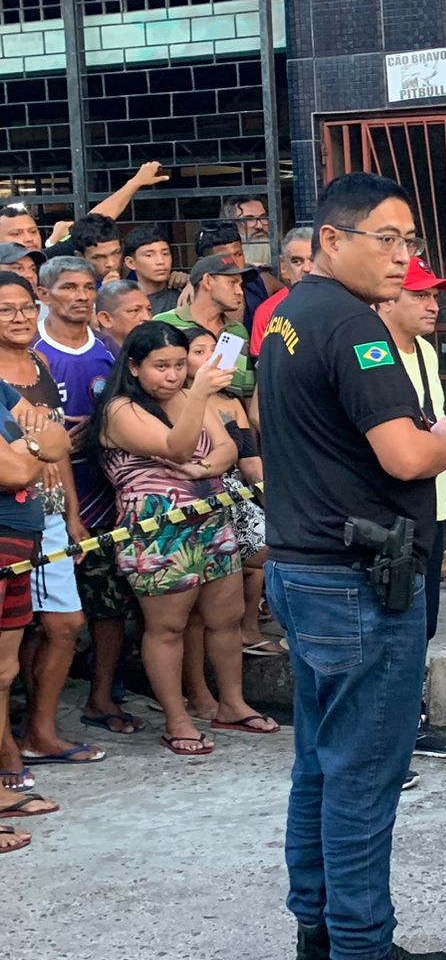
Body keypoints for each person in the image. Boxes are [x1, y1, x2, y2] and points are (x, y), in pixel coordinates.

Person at [258, 172, 446, 960]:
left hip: (302, 568)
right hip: (357, 580)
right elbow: (403, 457)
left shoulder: (288, 316)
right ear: (332, 240)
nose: (404, 259)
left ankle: (317, 946)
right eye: (387, 239)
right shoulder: (357, 329)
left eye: (410, 242)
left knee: (320, 766)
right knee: (364, 774)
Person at [92, 320, 277, 756]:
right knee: (168, 627)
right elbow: (177, 445)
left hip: (211, 516)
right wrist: (197, 399)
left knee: (226, 617)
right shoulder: (120, 409)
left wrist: (204, 467)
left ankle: (232, 703)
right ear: (134, 367)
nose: (173, 375)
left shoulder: (187, 397)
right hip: (157, 530)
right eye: (161, 366)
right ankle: (177, 719)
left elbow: (227, 447)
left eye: (179, 365)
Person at [33, 257, 139, 736]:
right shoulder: (33, 353)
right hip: (49, 503)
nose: (80, 296)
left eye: (88, 287)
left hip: (106, 493)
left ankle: (102, 697)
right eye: (68, 287)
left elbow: (128, 408)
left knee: (109, 605)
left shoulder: (109, 350)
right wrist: (52, 442)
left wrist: (96, 428)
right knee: (47, 617)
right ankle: (36, 714)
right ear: (44, 294)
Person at [0, 273, 100, 767]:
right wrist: (39, 447)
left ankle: (39, 732)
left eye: (25, 308)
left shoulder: (38, 361)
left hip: (53, 511)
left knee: (63, 625)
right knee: (24, 633)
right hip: (14, 512)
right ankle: (18, 742)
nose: (20, 318)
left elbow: (58, 446)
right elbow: (25, 459)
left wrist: (74, 514)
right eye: (6, 310)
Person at [377, 257, 446, 763]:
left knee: (423, 622)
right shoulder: (373, 354)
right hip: (393, 510)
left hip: (433, 503)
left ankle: (409, 725)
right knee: (390, 626)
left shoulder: (427, 352)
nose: (433, 306)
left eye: (435, 296)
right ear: (388, 298)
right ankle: (386, 742)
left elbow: (425, 422)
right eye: (420, 295)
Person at [0, 327, 72, 810]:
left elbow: (59, 436)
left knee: (3, 672)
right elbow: (14, 472)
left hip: (19, 539)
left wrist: (35, 444)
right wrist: (33, 447)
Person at [180, 327, 279, 659]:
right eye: (199, 352)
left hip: (235, 491)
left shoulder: (231, 401)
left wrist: (270, 501)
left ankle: (248, 628)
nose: (212, 357)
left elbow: (249, 459)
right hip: (194, 494)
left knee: (268, 548)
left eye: (215, 348)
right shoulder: (175, 402)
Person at [9, 162, 169, 254]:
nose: (29, 238)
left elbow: (92, 223)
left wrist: (134, 183)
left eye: (33, 231)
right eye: (16, 233)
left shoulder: (44, 260)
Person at [153, 253, 254, 399]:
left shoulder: (238, 332)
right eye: (232, 282)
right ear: (207, 281)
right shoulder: (163, 324)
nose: (240, 292)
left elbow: (247, 392)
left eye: (240, 285)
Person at [193, 220, 280, 330]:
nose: (234, 262)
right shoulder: (190, 297)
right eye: (225, 257)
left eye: (238, 254)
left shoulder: (261, 282)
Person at [249, 227, 314, 357]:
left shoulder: (345, 302)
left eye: (313, 260)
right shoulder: (267, 311)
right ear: (284, 267)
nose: (307, 268)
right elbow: (260, 363)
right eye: (297, 261)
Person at [124, 225, 182, 316]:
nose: (161, 261)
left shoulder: (184, 296)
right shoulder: (123, 301)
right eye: (149, 255)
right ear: (131, 263)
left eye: (165, 253)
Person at [51, 214, 123, 285]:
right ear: (80, 257)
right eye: (99, 257)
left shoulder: (129, 269)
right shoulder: (69, 286)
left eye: (116, 253)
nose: (111, 263)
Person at [94, 280, 153, 351]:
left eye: (149, 309)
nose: (147, 318)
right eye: (135, 310)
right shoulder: (93, 355)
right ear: (106, 319)